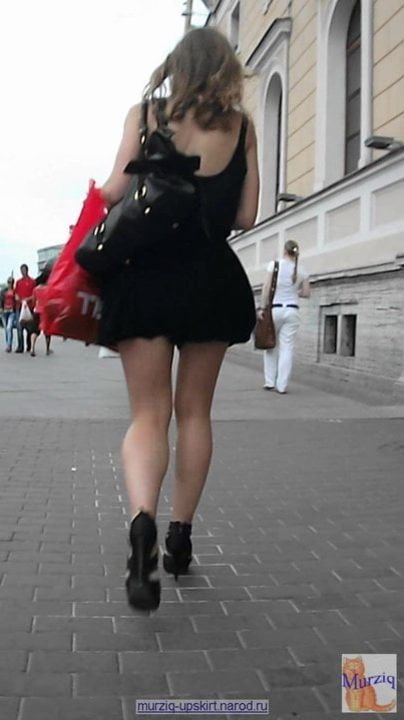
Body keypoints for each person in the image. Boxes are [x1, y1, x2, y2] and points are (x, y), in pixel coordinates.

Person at [98, 27, 259, 611]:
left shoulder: (144, 115)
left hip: (144, 276)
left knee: (149, 413)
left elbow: (115, 190)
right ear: (225, 69)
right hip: (210, 278)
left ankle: (142, 521)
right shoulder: (242, 128)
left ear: (175, 66)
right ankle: (180, 537)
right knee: (194, 413)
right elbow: (246, 215)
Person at [259, 240, 310, 394]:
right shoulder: (302, 270)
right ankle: (282, 386)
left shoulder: (274, 265)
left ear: (284, 251)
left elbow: (267, 287)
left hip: (275, 310)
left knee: (270, 345)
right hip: (292, 311)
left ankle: (269, 382)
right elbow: (306, 293)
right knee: (287, 348)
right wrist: (294, 292)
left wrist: (262, 307)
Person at [30, 263, 53, 357]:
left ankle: (32, 348)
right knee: (47, 332)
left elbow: (33, 301)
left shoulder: (36, 289)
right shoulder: (49, 289)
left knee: (35, 331)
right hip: (46, 312)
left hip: (37, 311)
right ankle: (47, 349)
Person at [15, 264, 36, 353]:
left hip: (29, 308)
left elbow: (34, 295)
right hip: (19, 308)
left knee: (29, 328)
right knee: (19, 328)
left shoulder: (32, 282)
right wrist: (17, 298)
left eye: (24, 270)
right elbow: (16, 293)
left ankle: (29, 345)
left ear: (27, 270)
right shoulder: (18, 282)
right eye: (21, 270)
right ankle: (20, 347)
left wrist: (27, 299)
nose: (22, 271)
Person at [1, 277, 16, 352]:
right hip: (4, 311)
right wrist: (0, 308)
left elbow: (16, 300)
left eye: (11, 282)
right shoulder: (3, 291)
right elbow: (0, 299)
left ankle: (9, 346)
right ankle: (8, 344)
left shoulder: (14, 291)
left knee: (9, 328)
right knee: (6, 330)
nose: (10, 284)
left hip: (11, 311)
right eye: (9, 282)